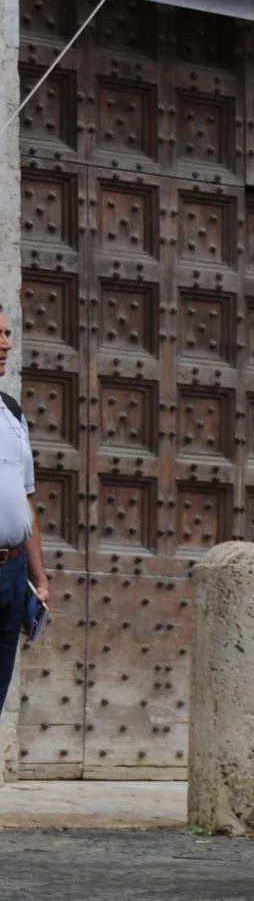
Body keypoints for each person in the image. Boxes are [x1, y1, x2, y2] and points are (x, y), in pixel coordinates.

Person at [0, 304, 52, 715]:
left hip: (14, 574)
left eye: (7, 333)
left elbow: (25, 499)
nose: (7, 343)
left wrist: (39, 577)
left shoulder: (13, 412)